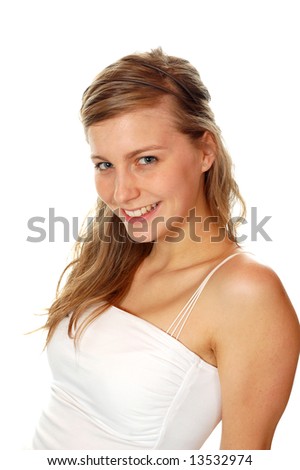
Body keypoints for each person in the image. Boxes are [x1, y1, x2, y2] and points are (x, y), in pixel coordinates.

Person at [32, 48, 299, 450]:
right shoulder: (114, 258)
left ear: (205, 151)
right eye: (104, 165)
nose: (121, 193)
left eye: (146, 159)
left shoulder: (246, 294)